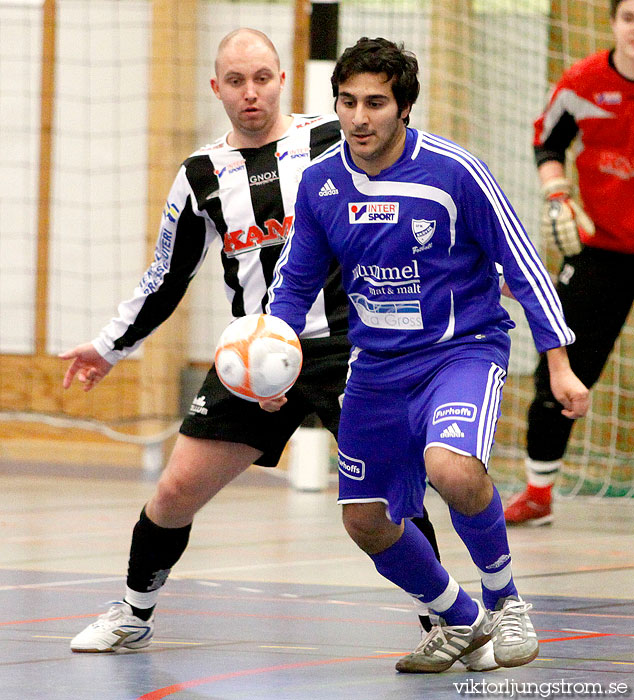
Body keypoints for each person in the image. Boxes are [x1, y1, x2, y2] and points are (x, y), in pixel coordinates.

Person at [61, 28, 454, 663]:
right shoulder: (200, 176)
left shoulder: (333, 140)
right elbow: (167, 276)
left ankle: (445, 623)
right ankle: (132, 612)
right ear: (216, 88)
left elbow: (412, 204)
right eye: (236, 82)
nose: (251, 94)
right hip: (255, 352)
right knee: (175, 490)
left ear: (282, 80)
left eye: (263, 78)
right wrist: (108, 348)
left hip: (351, 344)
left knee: (383, 495)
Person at [263, 37, 590, 673]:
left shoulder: (455, 172)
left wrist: (559, 361)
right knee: (364, 520)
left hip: (460, 352)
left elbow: (521, 266)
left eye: (376, 103)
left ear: (403, 108)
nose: (359, 117)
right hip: (377, 368)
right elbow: (296, 282)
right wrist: (270, 356)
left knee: (453, 468)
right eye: (348, 101)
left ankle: (505, 601)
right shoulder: (321, 183)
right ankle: (461, 618)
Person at [504, 0, 634, 526]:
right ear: (613, 23)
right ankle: (539, 494)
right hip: (600, 250)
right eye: (629, 17)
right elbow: (548, 142)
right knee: (561, 367)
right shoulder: (583, 83)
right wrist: (556, 194)